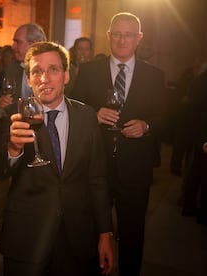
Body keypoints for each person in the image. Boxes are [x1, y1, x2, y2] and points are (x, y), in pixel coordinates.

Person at [0, 41, 113, 275]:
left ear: (66, 75)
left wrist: (105, 233)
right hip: (27, 237)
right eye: (37, 71)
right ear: (28, 79)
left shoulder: (87, 116)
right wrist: (13, 149)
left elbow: (97, 178)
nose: (45, 78)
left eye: (53, 70)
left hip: (77, 238)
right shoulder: (12, 115)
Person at [71, 12, 167, 276]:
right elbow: (72, 107)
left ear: (139, 38)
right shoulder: (90, 70)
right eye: (118, 34)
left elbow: (167, 118)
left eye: (129, 35)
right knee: (93, 228)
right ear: (109, 36)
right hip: (95, 165)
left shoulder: (154, 75)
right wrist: (93, 113)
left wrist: (147, 126)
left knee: (133, 233)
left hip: (136, 166)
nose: (122, 40)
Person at [0, 23, 47, 245]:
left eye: (17, 41)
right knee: (4, 175)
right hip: (11, 129)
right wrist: (1, 102)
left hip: (42, 132)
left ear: (33, 43)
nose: (13, 46)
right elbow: (2, 97)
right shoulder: (12, 68)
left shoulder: (50, 66)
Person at [181, 69, 207, 224]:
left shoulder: (200, 78)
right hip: (201, 135)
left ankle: (189, 205)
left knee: (195, 172)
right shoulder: (202, 80)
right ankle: (200, 211)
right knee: (200, 174)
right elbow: (198, 111)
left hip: (197, 134)